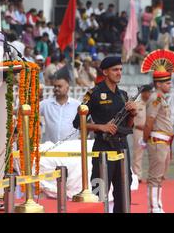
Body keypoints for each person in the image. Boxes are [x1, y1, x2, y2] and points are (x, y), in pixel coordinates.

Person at [73, 56, 137, 213]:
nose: (119, 73)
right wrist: (100, 127)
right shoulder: (93, 93)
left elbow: (128, 127)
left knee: (123, 189)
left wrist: (133, 114)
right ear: (105, 72)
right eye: (115, 70)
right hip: (103, 146)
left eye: (121, 69)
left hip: (122, 148)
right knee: (100, 190)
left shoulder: (123, 95)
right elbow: (77, 123)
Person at [141, 51, 174, 213]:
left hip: (165, 141)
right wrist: (144, 140)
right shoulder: (155, 98)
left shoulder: (161, 98)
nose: (170, 85)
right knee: (155, 177)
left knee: (160, 177)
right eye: (167, 82)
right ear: (159, 83)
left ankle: (158, 206)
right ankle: (154, 208)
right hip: (158, 140)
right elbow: (149, 122)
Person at [40, 77, 80, 143]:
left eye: (59, 86)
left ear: (67, 88)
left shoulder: (77, 105)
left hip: (71, 147)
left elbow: (87, 120)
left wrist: (84, 136)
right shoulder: (46, 104)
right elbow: (31, 111)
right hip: (50, 147)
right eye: (55, 86)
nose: (56, 88)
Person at [131, 84, 152, 182]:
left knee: (153, 154)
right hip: (139, 131)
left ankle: (152, 176)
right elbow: (132, 119)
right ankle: (137, 176)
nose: (148, 94)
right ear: (143, 93)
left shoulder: (153, 104)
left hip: (151, 132)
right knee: (138, 155)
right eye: (147, 92)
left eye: (149, 92)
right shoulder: (137, 105)